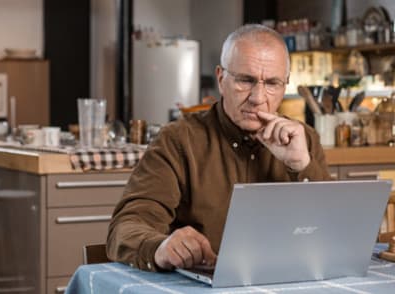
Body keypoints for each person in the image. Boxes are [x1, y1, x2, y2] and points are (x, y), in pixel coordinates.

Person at [107, 24, 332, 272]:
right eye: (245, 80)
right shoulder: (177, 141)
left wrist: (301, 167)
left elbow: (336, 235)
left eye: (272, 83)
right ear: (221, 78)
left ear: (285, 85)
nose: (258, 97)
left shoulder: (304, 140)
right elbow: (125, 227)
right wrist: (160, 247)